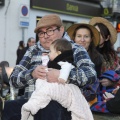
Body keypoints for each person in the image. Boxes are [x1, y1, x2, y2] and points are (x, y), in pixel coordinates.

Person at [2, 14, 96, 120]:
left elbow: (91, 74)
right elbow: (14, 79)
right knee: (9, 106)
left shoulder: (75, 49)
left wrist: (64, 75)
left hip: (62, 107)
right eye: (41, 33)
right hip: (33, 103)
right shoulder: (32, 50)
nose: (46, 36)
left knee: (50, 107)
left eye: (50, 30)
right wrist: (31, 74)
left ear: (61, 29)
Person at [21, 39, 93, 120]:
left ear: (58, 53)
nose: (49, 54)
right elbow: (46, 66)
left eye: (51, 52)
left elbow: (67, 67)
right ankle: (34, 104)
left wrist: (62, 76)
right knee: (41, 86)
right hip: (54, 89)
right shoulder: (52, 61)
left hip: (63, 87)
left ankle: (34, 105)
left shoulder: (64, 62)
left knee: (47, 90)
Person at [67, 23, 104, 106]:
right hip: (68, 96)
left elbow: (95, 82)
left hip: (88, 99)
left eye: (86, 36)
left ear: (91, 39)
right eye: (79, 36)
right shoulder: (66, 55)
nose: (82, 40)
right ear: (74, 38)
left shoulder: (97, 58)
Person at [89, 17, 120, 113]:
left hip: (108, 96)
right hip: (90, 95)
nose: (96, 36)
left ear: (107, 38)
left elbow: (117, 74)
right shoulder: (86, 51)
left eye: (100, 34)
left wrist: (112, 81)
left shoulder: (113, 56)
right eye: (94, 33)